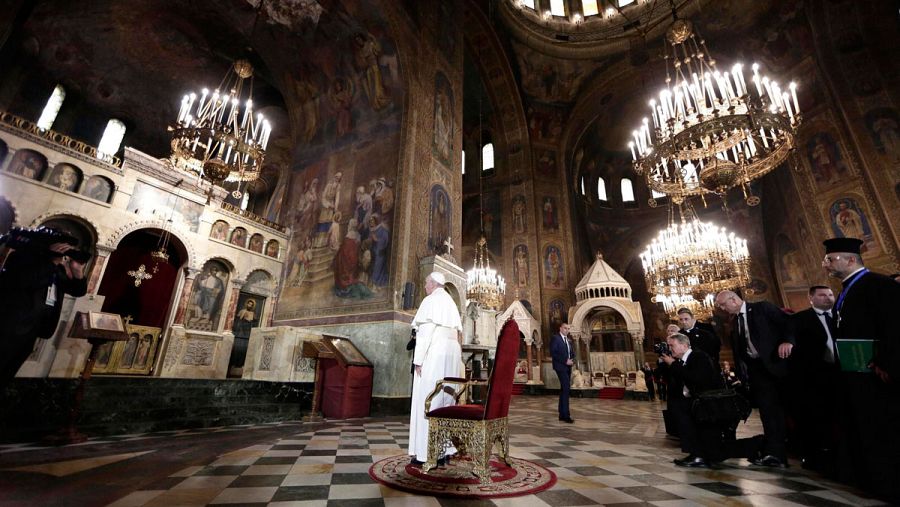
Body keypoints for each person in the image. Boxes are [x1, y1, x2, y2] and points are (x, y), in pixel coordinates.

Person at [821, 237, 900, 502]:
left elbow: (894, 326)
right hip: (857, 374)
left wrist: (887, 364)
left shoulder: (879, 285)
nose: (826, 264)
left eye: (831, 259)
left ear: (851, 260)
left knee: (886, 428)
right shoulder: (846, 290)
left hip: (879, 373)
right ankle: (875, 480)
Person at [714, 289, 794, 468]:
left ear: (733, 300)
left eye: (723, 304)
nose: (721, 308)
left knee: (789, 410)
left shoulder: (762, 308)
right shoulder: (734, 322)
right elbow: (740, 351)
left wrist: (788, 341)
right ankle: (775, 454)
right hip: (758, 372)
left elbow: (788, 323)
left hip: (778, 365)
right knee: (768, 413)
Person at [0, 239, 87, 387]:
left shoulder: (58, 268)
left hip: (35, 327)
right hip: (10, 327)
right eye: (62, 246)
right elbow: (24, 281)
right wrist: (51, 261)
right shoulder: (23, 257)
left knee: (8, 373)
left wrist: (77, 270)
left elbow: (77, 290)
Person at [408, 272, 463, 466]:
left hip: (436, 354)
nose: (424, 287)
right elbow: (457, 334)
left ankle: (426, 453)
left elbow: (425, 333)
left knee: (428, 400)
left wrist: (418, 359)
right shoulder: (450, 303)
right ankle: (444, 450)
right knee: (446, 401)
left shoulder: (430, 301)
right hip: (452, 355)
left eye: (425, 283)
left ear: (433, 284)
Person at [789, 285, 839, 473]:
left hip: (844, 372)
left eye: (830, 294)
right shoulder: (799, 319)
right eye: (822, 295)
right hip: (817, 377)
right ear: (811, 298)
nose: (828, 298)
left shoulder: (842, 315)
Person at [660, 333, 724, 468]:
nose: (670, 349)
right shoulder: (681, 360)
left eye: (672, 345)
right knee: (687, 427)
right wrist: (667, 364)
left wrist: (673, 365)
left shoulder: (698, 356)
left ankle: (700, 456)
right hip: (690, 402)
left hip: (705, 403)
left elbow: (697, 379)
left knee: (700, 430)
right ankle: (695, 454)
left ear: (684, 345)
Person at [550, 322, 575, 423]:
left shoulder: (568, 340)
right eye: (565, 328)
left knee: (564, 389)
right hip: (560, 366)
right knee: (566, 388)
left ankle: (561, 413)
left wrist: (572, 359)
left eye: (568, 329)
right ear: (560, 328)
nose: (567, 330)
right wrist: (565, 360)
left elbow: (571, 352)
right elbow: (553, 352)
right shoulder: (556, 339)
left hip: (568, 366)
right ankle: (566, 415)